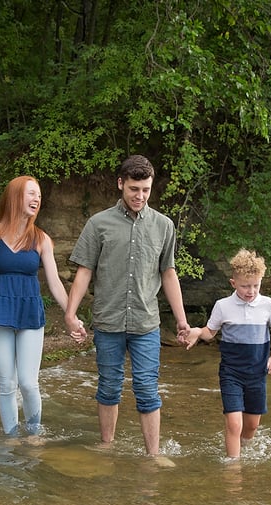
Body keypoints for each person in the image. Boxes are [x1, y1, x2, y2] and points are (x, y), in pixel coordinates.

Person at [64, 155, 189, 456]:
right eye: (134, 189)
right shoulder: (98, 224)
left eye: (145, 189)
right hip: (108, 321)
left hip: (146, 323)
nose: (140, 196)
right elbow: (84, 271)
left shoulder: (164, 226)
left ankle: (153, 456)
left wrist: (182, 321)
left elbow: (168, 273)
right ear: (120, 183)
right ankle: (107, 448)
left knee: (147, 390)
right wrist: (70, 314)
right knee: (109, 387)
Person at [0, 176, 87, 436]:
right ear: (15, 197)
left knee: (28, 382)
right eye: (31, 194)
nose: (37, 199)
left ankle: (34, 435)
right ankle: (11, 438)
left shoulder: (41, 239)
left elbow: (55, 283)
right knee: (6, 384)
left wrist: (72, 315)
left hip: (30, 313)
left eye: (39, 196)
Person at [184, 249, 271, 459]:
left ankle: (243, 449)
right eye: (246, 286)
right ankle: (233, 466)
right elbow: (210, 332)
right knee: (234, 423)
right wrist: (197, 332)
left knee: (252, 425)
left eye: (256, 285)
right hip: (231, 373)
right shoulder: (223, 306)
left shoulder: (267, 305)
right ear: (233, 283)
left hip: (257, 372)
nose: (251, 291)